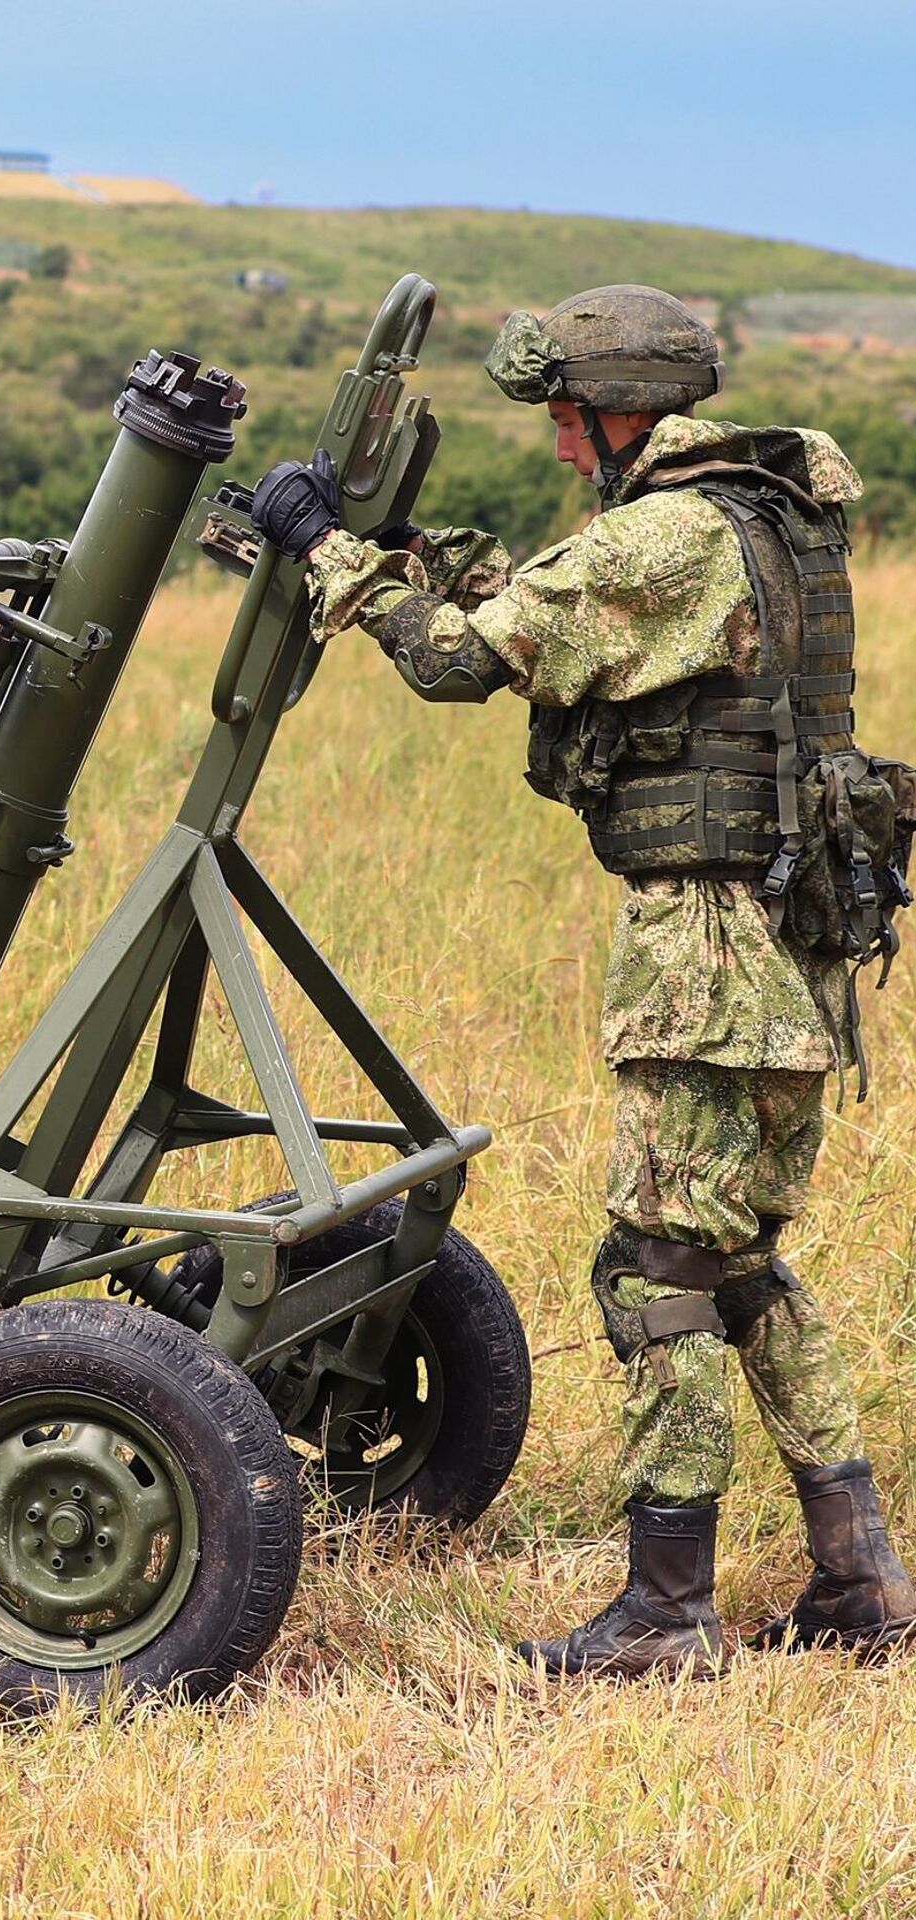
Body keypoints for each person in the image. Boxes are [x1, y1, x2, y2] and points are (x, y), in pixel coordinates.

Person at [251, 284, 915, 1676]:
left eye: (565, 418)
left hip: (709, 957)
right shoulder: (760, 514)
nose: (559, 446)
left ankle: (667, 1613)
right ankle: (860, 1583)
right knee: (740, 1268)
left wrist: (331, 554)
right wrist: (420, 548)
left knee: (656, 1273)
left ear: (622, 410)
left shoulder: (671, 535)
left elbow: (454, 660)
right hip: (789, 949)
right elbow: (559, 604)